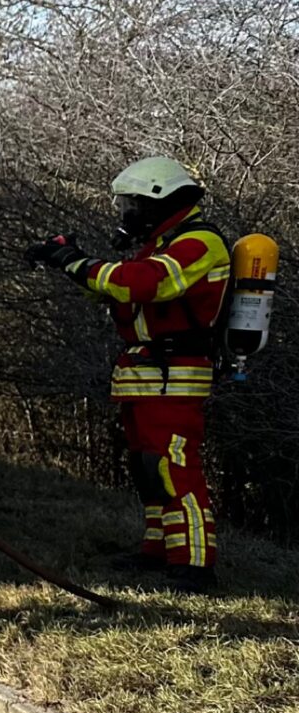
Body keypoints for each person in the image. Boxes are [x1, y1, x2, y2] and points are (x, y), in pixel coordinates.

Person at [27, 156, 231, 589]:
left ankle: (195, 565)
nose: (127, 214)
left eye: (133, 205)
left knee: (175, 466)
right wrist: (63, 261)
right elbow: (119, 290)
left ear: (158, 200)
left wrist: (76, 261)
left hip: (173, 375)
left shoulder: (198, 243)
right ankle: (157, 550)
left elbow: (143, 283)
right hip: (146, 374)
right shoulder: (160, 245)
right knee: (148, 467)